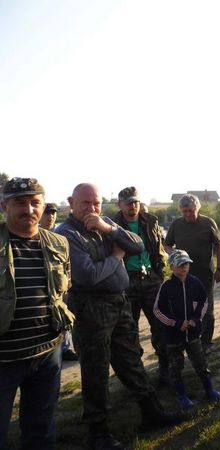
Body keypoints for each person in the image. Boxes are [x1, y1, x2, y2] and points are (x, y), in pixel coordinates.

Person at [58, 183, 182, 450]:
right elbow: (89, 275)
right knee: (96, 370)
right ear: (71, 202)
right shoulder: (66, 234)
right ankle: (98, 432)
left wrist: (108, 229)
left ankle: (151, 412)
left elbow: (137, 245)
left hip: (118, 302)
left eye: (97, 203)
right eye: (86, 203)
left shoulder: (104, 224)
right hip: (91, 309)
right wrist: (116, 256)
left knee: (130, 360)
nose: (92, 208)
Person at [0, 178, 74, 450]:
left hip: (47, 354)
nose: (29, 209)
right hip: (4, 359)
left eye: (35, 203)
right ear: (4, 206)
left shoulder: (59, 243)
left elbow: (64, 289)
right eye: (20, 202)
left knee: (41, 430)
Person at [114, 186, 169, 386]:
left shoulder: (150, 220)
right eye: (128, 203)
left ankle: (166, 372)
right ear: (120, 204)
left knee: (161, 326)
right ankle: (139, 378)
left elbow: (159, 248)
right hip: (126, 282)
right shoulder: (112, 225)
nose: (133, 206)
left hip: (151, 278)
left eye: (136, 202)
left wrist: (159, 271)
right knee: (130, 331)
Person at [154, 250, 220, 409]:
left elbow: (204, 301)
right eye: (180, 265)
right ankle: (181, 396)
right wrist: (176, 323)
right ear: (171, 267)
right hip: (173, 337)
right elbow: (158, 310)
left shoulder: (195, 282)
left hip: (192, 334)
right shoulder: (166, 287)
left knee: (201, 363)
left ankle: (209, 390)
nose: (184, 267)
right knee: (175, 367)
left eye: (186, 264)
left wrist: (195, 319)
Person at [164, 194, 220, 350]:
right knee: (184, 306)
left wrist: (219, 269)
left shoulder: (208, 223)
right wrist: (174, 254)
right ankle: (189, 339)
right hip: (183, 274)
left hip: (205, 273)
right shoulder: (176, 225)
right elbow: (167, 245)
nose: (188, 214)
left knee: (206, 307)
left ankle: (206, 342)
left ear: (198, 208)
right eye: (184, 211)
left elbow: (219, 245)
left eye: (191, 210)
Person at [39, 202, 78, 362]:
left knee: (64, 315)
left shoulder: (61, 235)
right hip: (43, 286)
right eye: (47, 213)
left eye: (53, 213)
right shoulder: (34, 235)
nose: (51, 216)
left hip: (61, 285)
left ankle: (65, 348)